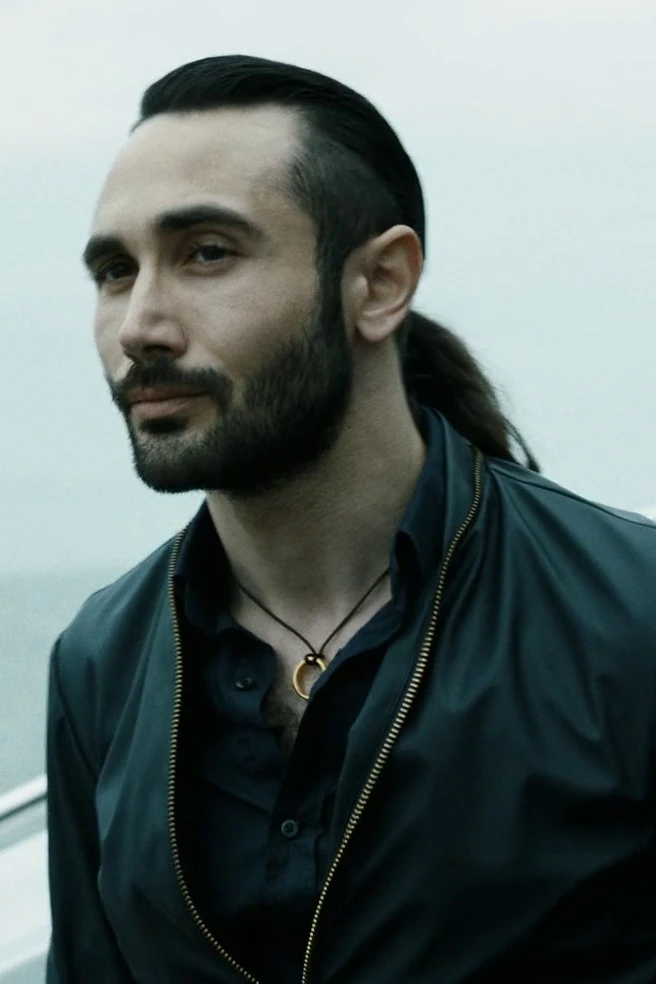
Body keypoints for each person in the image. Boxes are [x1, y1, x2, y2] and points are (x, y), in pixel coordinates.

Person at [45, 54, 656, 984]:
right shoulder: (101, 660)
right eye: (116, 271)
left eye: (207, 253)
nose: (139, 326)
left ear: (379, 283)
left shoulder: (631, 618)